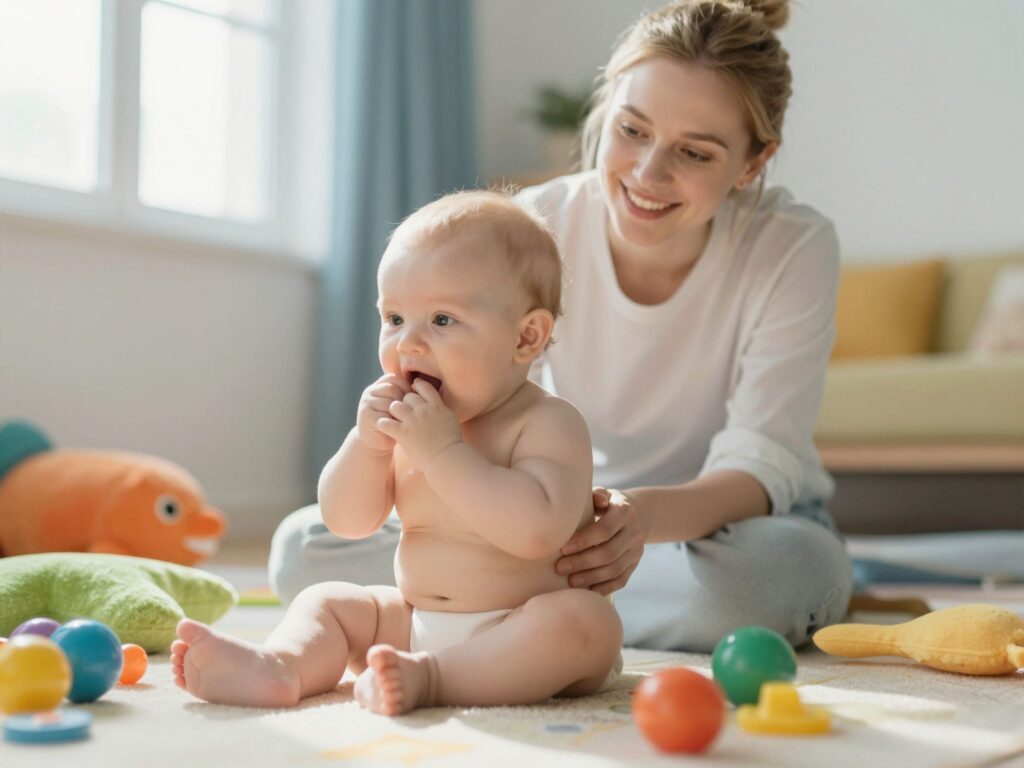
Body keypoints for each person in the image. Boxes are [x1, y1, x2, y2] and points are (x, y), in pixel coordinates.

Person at [268, 0, 853, 652]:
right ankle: (540, 619)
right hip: (529, 516)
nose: (648, 173)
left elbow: (759, 464)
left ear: (751, 163)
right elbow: (485, 418)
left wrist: (636, 520)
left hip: (712, 531)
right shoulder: (537, 226)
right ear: (605, 112)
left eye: (693, 152)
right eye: (632, 130)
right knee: (304, 548)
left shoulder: (791, 246)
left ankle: (500, 615)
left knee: (759, 582)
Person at [171, 191, 623, 714]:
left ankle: (433, 681)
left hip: (522, 630)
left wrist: (443, 452)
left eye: (442, 321)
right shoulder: (410, 422)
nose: (408, 344)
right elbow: (347, 521)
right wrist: (366, 445)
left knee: (585, 623)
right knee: (331, 602)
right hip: (413, 623)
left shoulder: (548, 422)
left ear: (526, 337)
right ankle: (281, 667)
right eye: (394, 318)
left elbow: (536, 531)